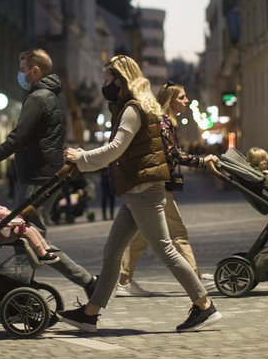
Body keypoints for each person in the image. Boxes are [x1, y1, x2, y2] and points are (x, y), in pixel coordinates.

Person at [58, 55, 222, 333]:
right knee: (112, 253)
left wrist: (82, 157)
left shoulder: (133, 109)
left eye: (108, 79)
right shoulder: (137, 107)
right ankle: (90, 313)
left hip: (144, 190)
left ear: (121, 79)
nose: (104, 85)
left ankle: (204, 306)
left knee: (165, 249)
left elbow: (115, 149)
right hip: (135, 191)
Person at [0, 48, 96, 296]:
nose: (20, 74)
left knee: (29, 238)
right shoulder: (50, 96)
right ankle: (20, 295)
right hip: (44, 176)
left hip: (36, 179)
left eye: (22, 70)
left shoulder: (38, 98)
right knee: (26, 237)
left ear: (35, 70)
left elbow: (17, 138)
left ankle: (87, 282)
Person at [116, 81, 218, 297]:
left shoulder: (167, 121)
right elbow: (174, 154)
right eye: (182, 97)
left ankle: (124, 281)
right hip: (157, 185)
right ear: (170, 100)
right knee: (178, 234)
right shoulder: (163, 122)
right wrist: (202, 160)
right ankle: (196, 281)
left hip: (158, 183)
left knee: (141, 237)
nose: (187, 101)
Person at [0, 176, 59, 264]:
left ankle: (45, 246)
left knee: (32, 228)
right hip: (2, 228)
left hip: (5, 224)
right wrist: (6, 213)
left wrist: (6, 212)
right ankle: (41, 253)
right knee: (28, 231)